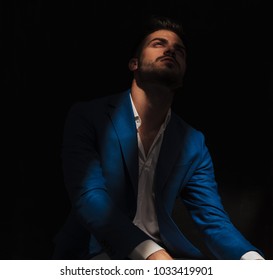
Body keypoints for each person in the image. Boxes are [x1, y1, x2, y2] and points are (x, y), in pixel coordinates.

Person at [52, 15, 265, 260]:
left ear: (183, 73)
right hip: (95, 253)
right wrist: (150, 253)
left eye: (179, 51)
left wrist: (252, 260)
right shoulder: (89, 117)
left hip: (166, 257)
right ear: (134, 63)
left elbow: (213, 220)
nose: (170, 50)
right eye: (158, 44)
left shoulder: (192, 141)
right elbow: (89, 197)